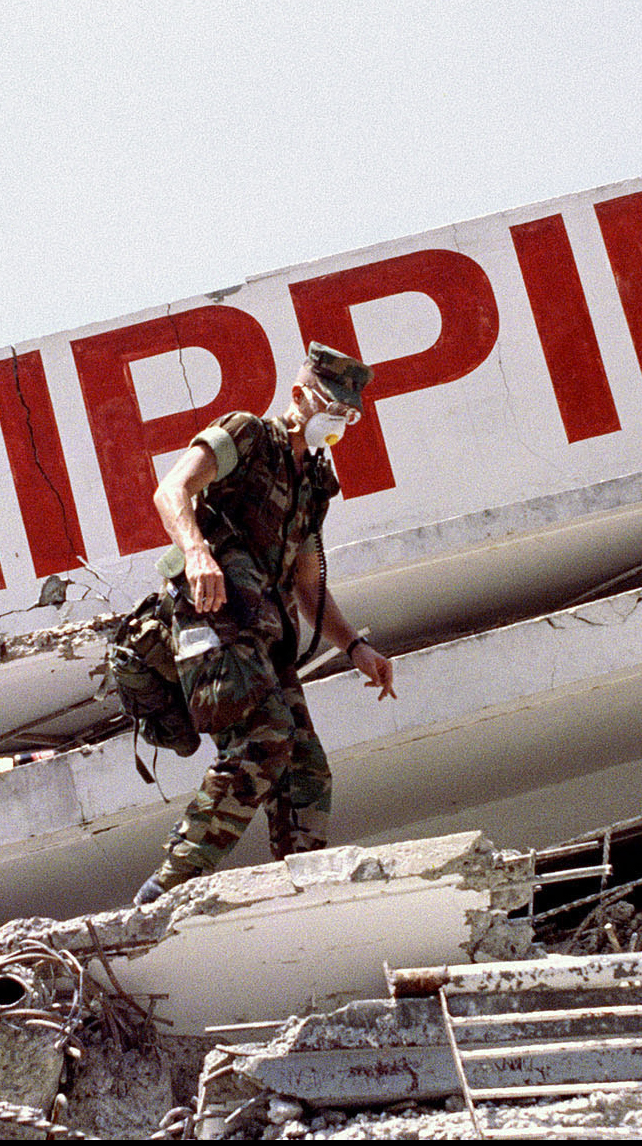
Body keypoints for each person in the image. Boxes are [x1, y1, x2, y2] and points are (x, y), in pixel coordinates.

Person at [135, 344, 397, 905]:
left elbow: (308, 586)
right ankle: (168, 887)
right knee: (263, 738)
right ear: (300, 395)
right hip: (214, 621)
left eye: (349, 415)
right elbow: (170, 489)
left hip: (266, 638)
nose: (339, 421)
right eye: (332, 405)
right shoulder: (249, 435)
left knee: (307, 769)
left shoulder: (313, 483)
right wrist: (197, 552)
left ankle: (304, 889)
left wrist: (354, 647)